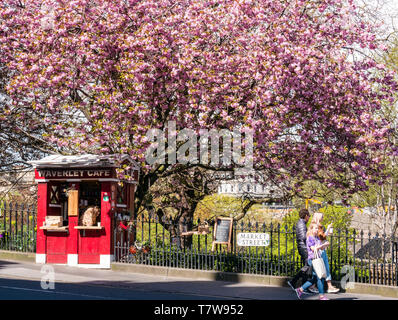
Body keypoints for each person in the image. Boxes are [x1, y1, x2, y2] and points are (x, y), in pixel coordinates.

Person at [295, 222, 329, 300]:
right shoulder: (310, 238)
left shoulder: (317, 238)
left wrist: (325, 245)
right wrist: (321, 246)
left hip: (318, 258)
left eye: (317, 228)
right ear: (311, 229)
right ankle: (321, 296)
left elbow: (321, 248)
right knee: (320, 277)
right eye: (315, 228)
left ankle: (300, 289)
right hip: (313, 260)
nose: (317, 230)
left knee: (315, 278)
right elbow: (313, 249)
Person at [312, 212, 340, 293]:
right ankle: (326, 286)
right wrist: (323, 243)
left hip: (321, 249)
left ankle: (326, 286)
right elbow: (321, 238)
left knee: (321, 268)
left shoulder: (318, 226)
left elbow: (323, 236)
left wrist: (327, 229)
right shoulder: (316, 226)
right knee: (321, 268)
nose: (323, 218)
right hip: (320, 249)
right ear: (318, 217)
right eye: (322, 217)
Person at [287, 208, 311, 291]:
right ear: (306, 216)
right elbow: (303, 237)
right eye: (309, 216)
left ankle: (303, 287)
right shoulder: (301, 224)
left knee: (307, 266)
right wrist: (311, 235)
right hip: (303, 247)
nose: (309, 218)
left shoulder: (302, 223)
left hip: (303, 247)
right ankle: (293, 281)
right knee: (308, 266)